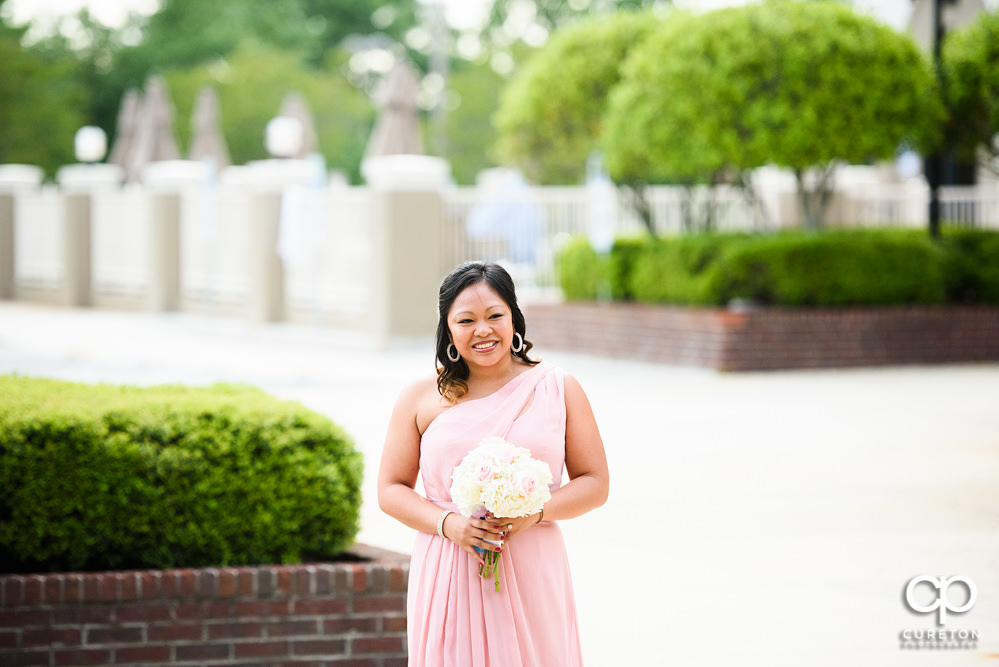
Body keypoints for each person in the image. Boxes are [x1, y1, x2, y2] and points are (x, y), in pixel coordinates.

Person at [378, 261, 609, 667]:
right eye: (465, 320)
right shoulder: (421, 396)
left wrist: (535, 512)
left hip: (532, 561)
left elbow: (594, 482)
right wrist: (449, 525)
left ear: (514, 319)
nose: (482, 330)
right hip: (449, 563)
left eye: (495, 316)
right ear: (448, 330)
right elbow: (390, 489)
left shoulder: (558, 387)